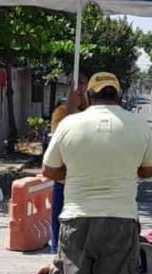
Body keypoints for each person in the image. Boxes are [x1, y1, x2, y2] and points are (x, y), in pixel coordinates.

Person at [42, 72, 152, 274]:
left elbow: (49, 170)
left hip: (76, 217)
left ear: (90, 96)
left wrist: (75, 176)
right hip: (120, 218)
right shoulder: (138, 125)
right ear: (119, 95)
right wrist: (126, 171)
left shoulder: (69, 124)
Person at [47, 72, 89, 253]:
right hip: (64, 182)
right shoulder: (62, 113)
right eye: (75, 84)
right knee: (60, 229)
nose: (78, 88)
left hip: (87, 183)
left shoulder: (93, 113)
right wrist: (71, 110)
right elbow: (61, 140)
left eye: (82, 83)